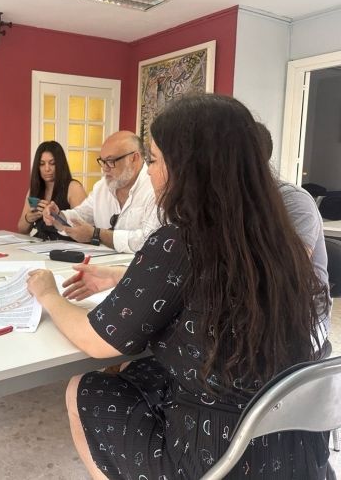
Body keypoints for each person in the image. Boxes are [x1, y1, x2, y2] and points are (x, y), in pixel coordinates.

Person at [27, 94, 330, 479]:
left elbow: (96, 341)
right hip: (297, 446)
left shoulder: (181, 241)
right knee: (140, 369)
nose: (150, 173)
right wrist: (122, 277)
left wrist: (48, 294)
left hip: (217, 457)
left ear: (187, 169)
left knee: (82, 388)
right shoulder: (282, 236)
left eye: (153, 160)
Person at [256, 121, 332, 343]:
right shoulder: (221, 202)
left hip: (299, 319)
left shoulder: (293, 201)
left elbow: (286, 271)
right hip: (250, 310)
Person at [42, 130, 159, 252]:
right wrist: (59, 216)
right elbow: (81, 215)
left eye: (110, 161)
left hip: (139, 262)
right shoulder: (102, 187)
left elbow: (150, 240)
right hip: (100, 261)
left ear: (134, 158)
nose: (104, 168)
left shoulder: (155, 187)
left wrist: (97, 234)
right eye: (102, 162)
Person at [17, 140, 87, 240]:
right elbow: (22, 230)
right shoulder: (34, 189)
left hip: (66, 245)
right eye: (42, 164)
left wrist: (57, 217)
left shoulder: (73, 187)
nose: (47, 169)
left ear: (60, 165)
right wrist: (28, 218)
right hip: (41, 243)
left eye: (52, 163)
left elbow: (84, 231)